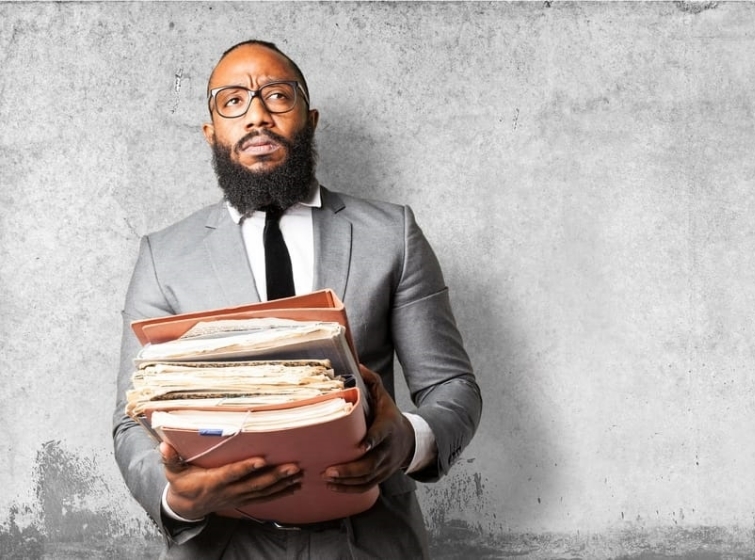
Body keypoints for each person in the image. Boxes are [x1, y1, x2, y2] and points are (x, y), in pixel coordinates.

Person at [113, 39, 482, 559]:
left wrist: (408, 440)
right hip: (221, 542)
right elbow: (132, 420)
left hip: (368, 537)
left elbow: (453, 387)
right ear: (211, 132)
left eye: (277, 96)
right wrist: (178, 497)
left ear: (309, 119)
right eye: (233, 100)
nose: (257, 115)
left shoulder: (391, 233)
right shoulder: (163, 256)